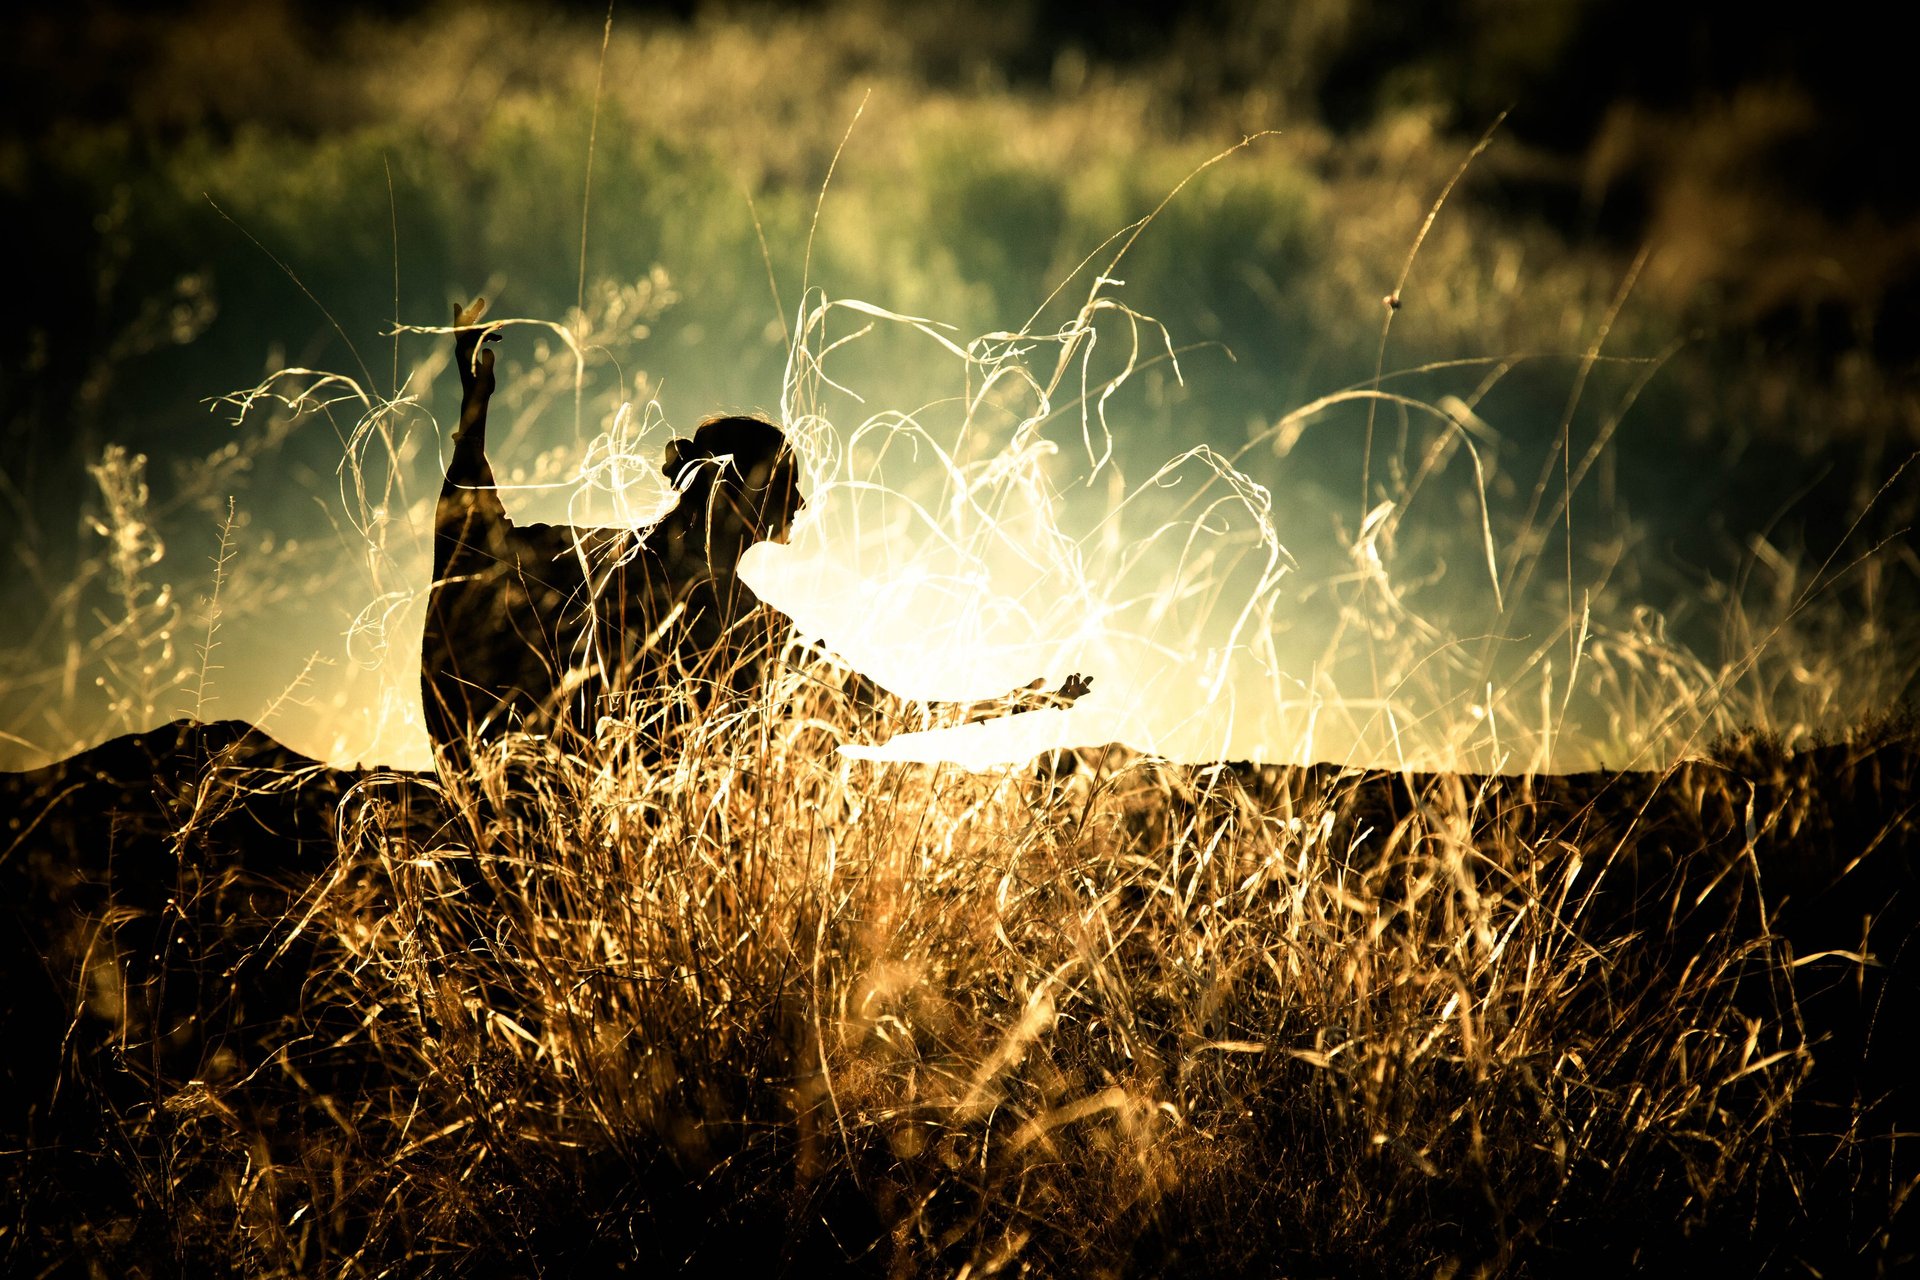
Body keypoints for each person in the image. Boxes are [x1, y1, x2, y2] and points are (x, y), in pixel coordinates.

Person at [420, 296, 1087, 778]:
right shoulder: (739, 624)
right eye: (785, 484)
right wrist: (1020, 703)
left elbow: (474, 541)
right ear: (740, 496)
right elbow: (882, 716)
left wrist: (1019, 702)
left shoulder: (615, 562)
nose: (802, 500)